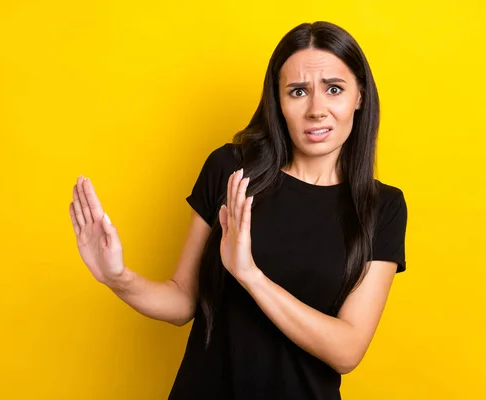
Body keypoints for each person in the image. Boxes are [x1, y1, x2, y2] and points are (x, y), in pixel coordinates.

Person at [69, 21, 408, 400]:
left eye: (333, 89)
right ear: (277, 102)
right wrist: (118, 278)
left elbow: (347, 350)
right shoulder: (230, 170)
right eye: (298, 91)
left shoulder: (382, 208)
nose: (317, 110)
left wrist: (250, 275)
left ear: (359, 96)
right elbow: (183, 300)